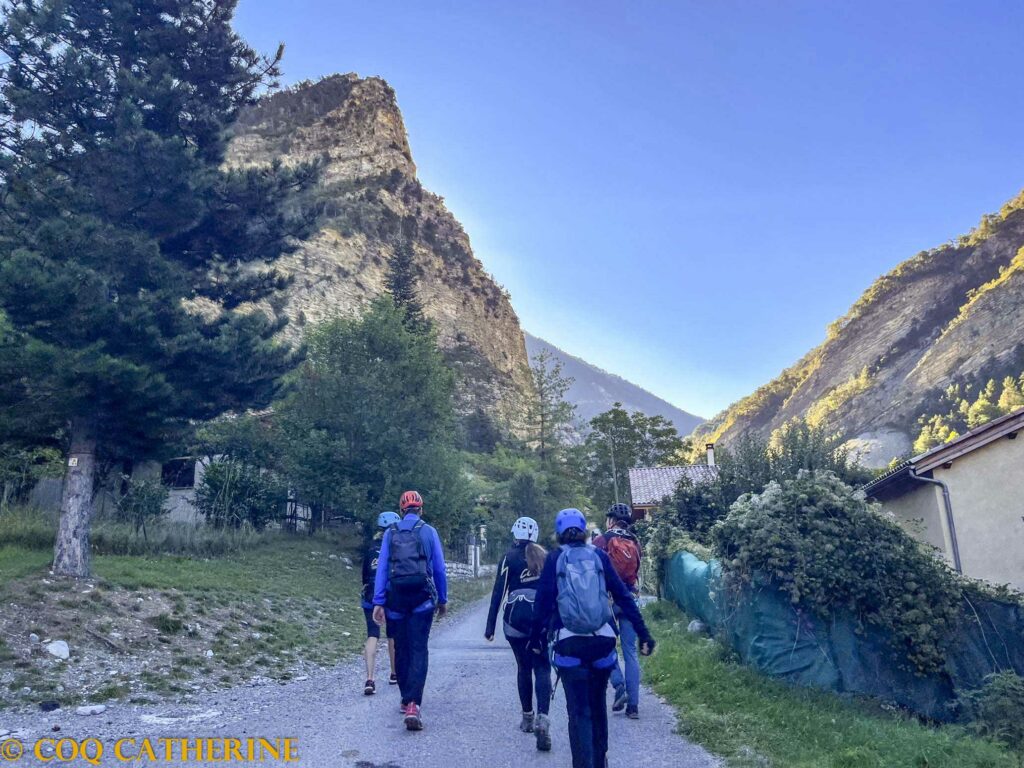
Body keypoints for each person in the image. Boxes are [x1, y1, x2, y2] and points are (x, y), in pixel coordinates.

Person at [530, 508, 655, 768]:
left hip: (569, 646)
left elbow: (541, 604)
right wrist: (643, 632)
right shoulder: (598, 556)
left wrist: (536, 640)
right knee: (598, 708)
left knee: (578, 713)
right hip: (601, 644)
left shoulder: (555, 559)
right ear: (584, 530)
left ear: (559, 533)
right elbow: (622, 595)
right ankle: (601, 760)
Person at [372, 490, 448, 731]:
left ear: (402, 510)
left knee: (401, 648)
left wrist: (378, 601)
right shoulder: (429, 531)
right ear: (421, 509)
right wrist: (442, 599)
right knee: (419, 649)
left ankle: (405, 698)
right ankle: (415, 703)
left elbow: (382, 568)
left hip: (395, 600)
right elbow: (439, 569)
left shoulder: (390, 533)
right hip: (422, 600)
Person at [484, 516, 553, 751]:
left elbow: (498, 591)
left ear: (515, 533)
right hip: (541, 622)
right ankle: (543, 717)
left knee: (523, 667)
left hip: (514, 623)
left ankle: (527, 717)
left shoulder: (508, 557)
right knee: (542, 667)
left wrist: (490, 627)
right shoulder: (546, 556)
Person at [595, 502, 644, 718]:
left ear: (611, 520)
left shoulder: (602, 540)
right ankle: (633, 706)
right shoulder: (635, 542)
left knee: (606, 646)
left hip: (607, 599)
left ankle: (619, 685)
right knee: (631, 652)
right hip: (630, 599)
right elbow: (638, 570)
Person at [361, 511, 400, 695]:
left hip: (370, 595)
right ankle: (394, 673)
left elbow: (364, 575)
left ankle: (370, 679)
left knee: (372, 634)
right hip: (390, 595)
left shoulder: (370, 548)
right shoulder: (396, 548)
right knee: (392, 635)